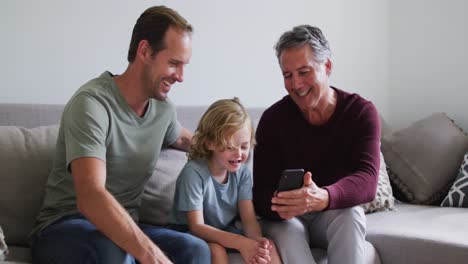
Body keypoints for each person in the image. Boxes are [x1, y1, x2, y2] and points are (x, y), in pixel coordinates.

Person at [30, 6, 210, 264]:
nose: (181, 77)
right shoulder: (92, 104)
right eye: (173, 63)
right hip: (64, 227)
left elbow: (183, 139)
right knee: (116, 251)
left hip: (126, 228)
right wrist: (151, 255)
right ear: (145, 51)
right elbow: (91, 196)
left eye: (184, 66)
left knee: (195, 250)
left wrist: (231, 147)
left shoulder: (162, 109)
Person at [253, 25, 381, 264]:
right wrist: (285, 205)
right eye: (287, 75)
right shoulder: (273, 120)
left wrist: (324, 197)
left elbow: (367, 179)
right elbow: (260, 193)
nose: (297, 84)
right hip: (288, 220)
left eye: (304, 72)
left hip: (330, 214)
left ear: (327, 66)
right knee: (289, 230)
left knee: (350, 213)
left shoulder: (361, 112)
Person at [169, 98, 282, 264]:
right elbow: (196, 227)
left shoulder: (242, 172)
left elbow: (249, 219)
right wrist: (241, 243)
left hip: (224, 230)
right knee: (216, 250)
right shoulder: (193, 173)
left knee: (267, 247)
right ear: (210, 143)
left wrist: (256, 244)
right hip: (188, 234)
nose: (238, 154)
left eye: (244, 146)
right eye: (230, 147)